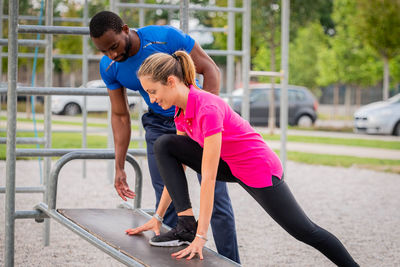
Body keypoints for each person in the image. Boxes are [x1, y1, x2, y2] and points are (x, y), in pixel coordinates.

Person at [126, 50, 360, 266]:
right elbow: (179, 164)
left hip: (258, 169)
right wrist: (157, 216)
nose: (152, 99)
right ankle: (185, 224)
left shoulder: (207, 108)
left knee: (305, 231)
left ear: (171, 81)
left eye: (152, 91)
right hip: (230, 164)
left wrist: (201, 237)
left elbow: (208, 178)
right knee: (165, 144)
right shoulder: (180, 111)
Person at [89, 11, 240, 263]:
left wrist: (208, 117)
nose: (112, 55)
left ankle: (232, 261)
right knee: (168, 201)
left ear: (125, 29)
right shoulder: (110, 66)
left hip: (194, 119)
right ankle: (174, 259)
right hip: (159, 124)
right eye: (105, 51)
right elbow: (120, 115)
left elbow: (210, 69)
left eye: (114, 46)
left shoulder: (164, 38)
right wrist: (119, 165)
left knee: (216, 198)